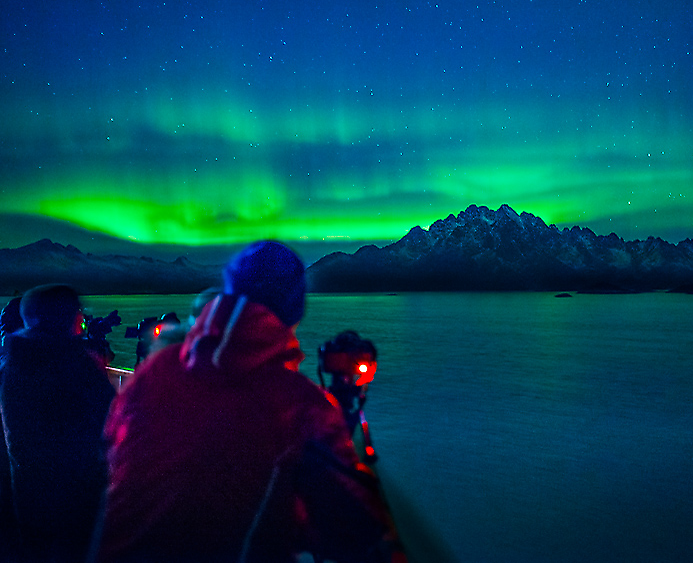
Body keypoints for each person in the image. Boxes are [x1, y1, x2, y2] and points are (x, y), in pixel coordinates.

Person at [92, 241, 402, 563]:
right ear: (296, 309)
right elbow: (353, 531)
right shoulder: (297, 405)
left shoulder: (155, 371)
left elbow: (114, 454)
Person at [0, 284, 116, 563]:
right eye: (77, 312)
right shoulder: (75, 366)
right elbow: (109, 420)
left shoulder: (14, 363)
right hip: (78, 497)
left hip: (27, 496)